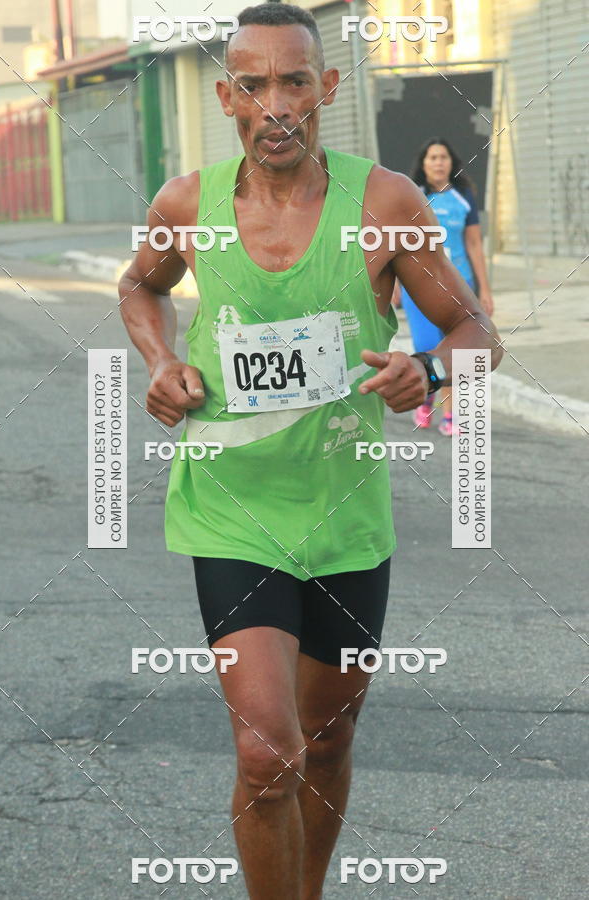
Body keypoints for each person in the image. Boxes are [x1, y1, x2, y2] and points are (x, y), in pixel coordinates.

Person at [118, 5, 502, 897]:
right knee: (267, 752)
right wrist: (162, 357)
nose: (275, 103)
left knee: (326, 744)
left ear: (328, 88)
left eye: (295, 81)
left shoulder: (385, 204)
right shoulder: (187, 204)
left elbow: (474, 328)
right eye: (252, 84)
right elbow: (140, 287)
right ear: (226, 97)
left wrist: (431, 374)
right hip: (231, 510)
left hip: (344, 519)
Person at [394, 138, 494, 435]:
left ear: (451, 163)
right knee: (427, 349)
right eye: (433, 157)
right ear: (423, 164)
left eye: (443, 157)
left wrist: (485, 290)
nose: (438, 162)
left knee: (454, 351)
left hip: (459, 285)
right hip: (420, 286)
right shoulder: (413, 196)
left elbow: (475, 245)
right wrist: (395, 284)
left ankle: (450, 415)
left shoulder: (464, 198)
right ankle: (427, 401)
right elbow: (400, 244)